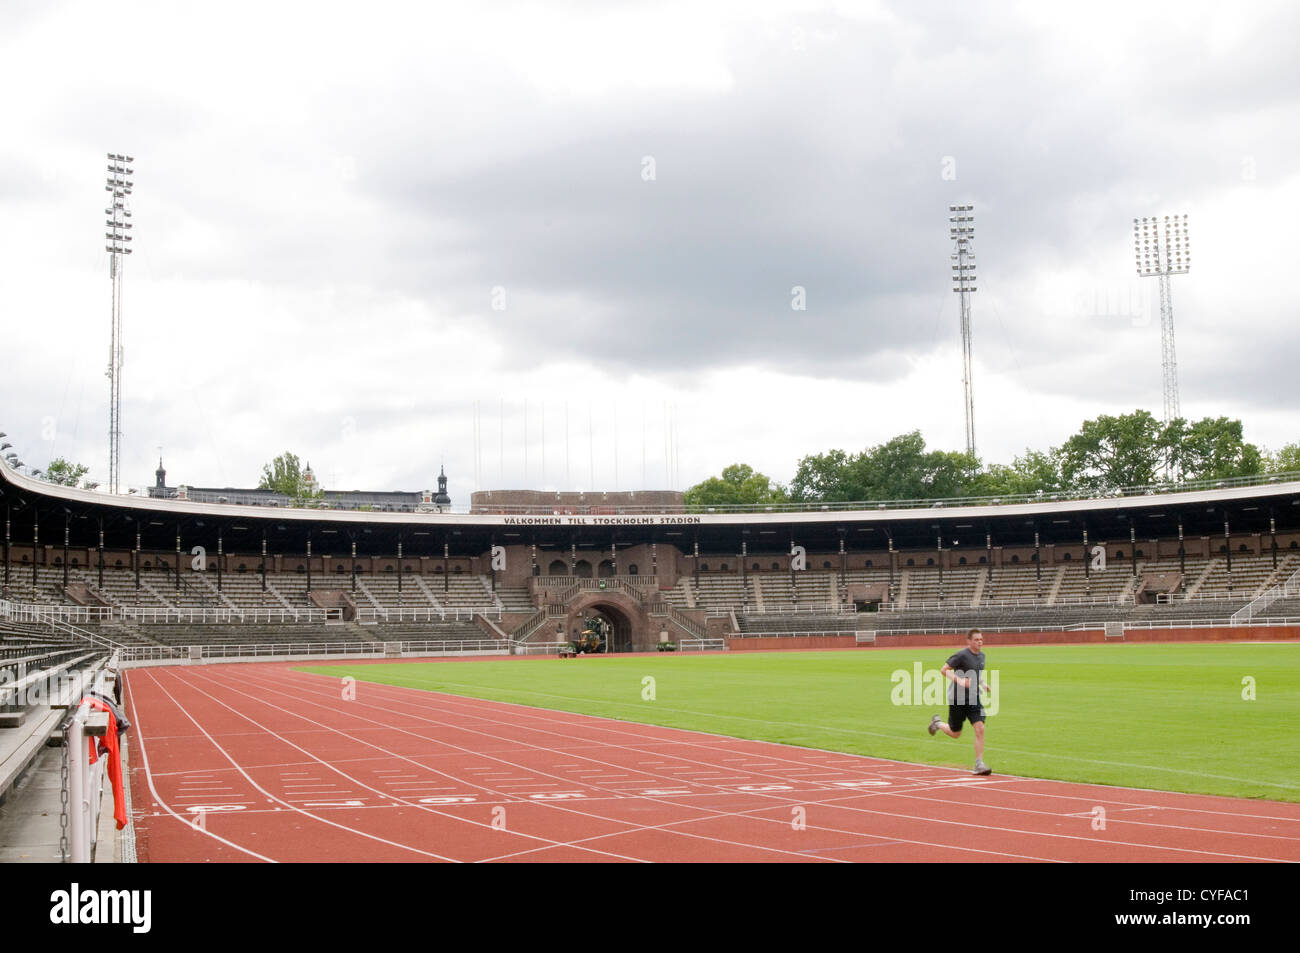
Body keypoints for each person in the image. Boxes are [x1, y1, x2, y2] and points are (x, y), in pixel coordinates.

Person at [927, 628, 992, 775]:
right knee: (955, 733)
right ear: (969, 641)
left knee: (980, 728)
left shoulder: (982, 656)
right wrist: (960, 681)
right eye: (976, 640)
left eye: (981, 639)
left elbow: (977, 673)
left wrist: (983, 684)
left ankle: (979, 764)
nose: (979, 642)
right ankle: (937, 723)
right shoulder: (961, 655)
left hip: (973, 697)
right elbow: (944, 670)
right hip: (957, 698)